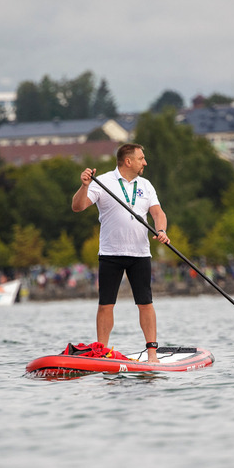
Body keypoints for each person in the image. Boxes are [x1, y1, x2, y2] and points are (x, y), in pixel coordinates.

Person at [72, 143, 169, 363]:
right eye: (141, 158)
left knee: (145, 303)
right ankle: (101, 352)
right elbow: (78, 206)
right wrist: (84, 186)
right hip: (110, 253)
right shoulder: (103, 181)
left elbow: (158, 213)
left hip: (140, 254)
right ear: (128, 161)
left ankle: (152, 354)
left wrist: (161, 230)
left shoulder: (146, 185)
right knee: (106, 304)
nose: (145, 162)